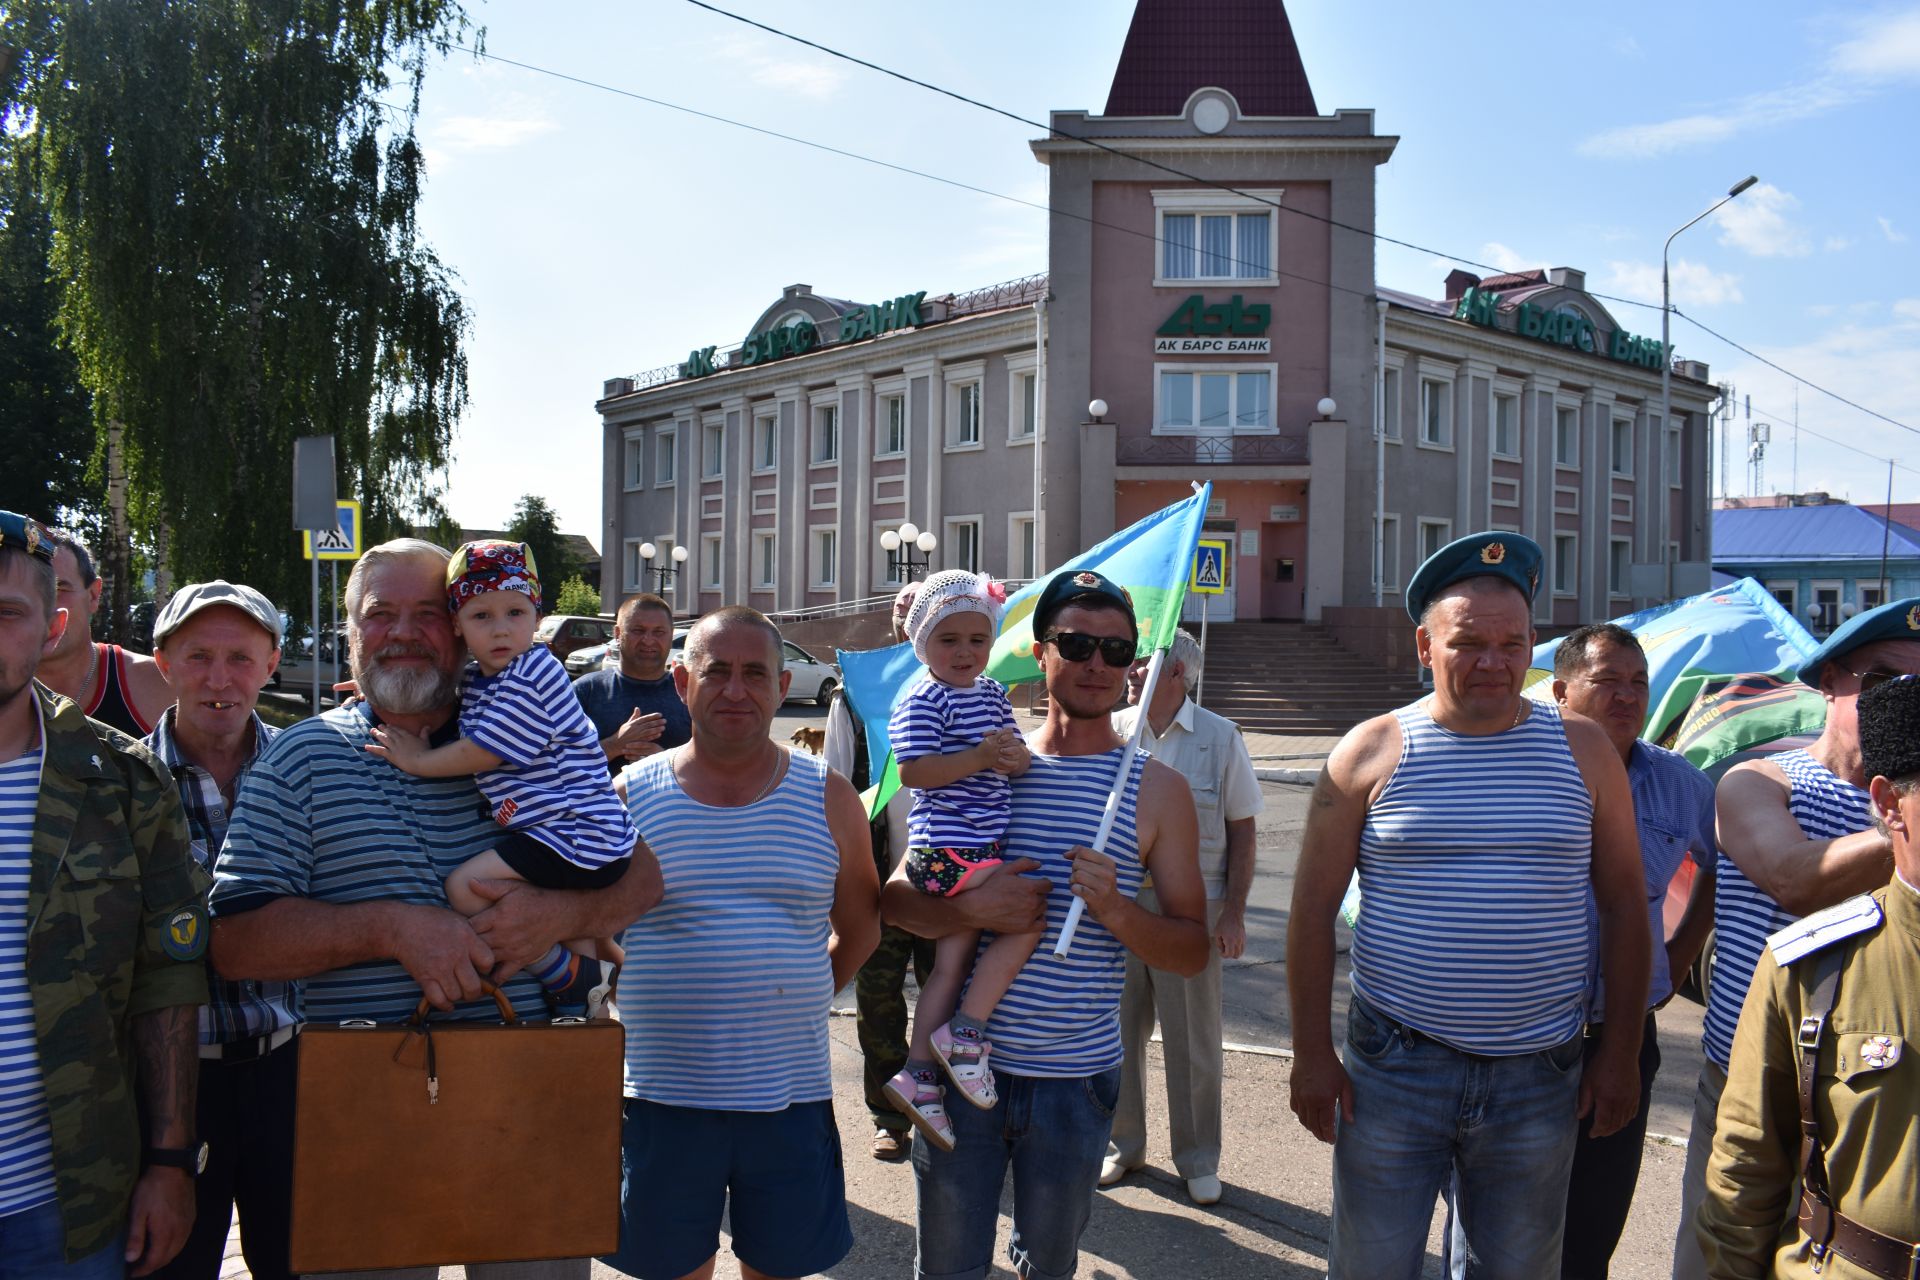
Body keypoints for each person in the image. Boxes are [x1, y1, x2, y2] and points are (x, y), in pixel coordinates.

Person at [209, 537, 661, 1280]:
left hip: (533, 1098)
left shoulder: (524, 740)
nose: (403, 631)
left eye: (427, 612)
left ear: (461, 627)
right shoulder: (300, 759)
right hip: (369, 1108)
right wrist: (394, 929)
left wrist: (554, 917)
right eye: (379, 614)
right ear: (351, 632)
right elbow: (235, 943)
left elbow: (642, 879)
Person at [1287, 532, 1650, 1280]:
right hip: (1394, 1071)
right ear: (1424, 645)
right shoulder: (1367, 753)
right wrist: (1312, 1055)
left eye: (1512, 643)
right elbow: (1311, 912)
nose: (1493, 661)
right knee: (1372, 1267)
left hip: (1539, 1076)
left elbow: (1623, 905)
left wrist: (1616, 1054)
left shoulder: (1585, 751)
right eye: (1469, 642)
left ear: (1533, 648)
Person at [882, 568, 1208, 1280]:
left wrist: (1119, 910)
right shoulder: (989, 766)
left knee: (1048, 1267)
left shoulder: (1158, 789)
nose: (1098, 663)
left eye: (1118, 651)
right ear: (1038, 651)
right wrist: (965, 910)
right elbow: (895, 901)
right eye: (1078, 643)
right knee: (947, 1268)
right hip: (958, 1079)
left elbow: (1190, 951)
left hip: (1075, 1082)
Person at [602, 606, 879, 1280]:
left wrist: (804, 992)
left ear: (783, 687)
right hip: (659, 1101)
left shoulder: (829, 797)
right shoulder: (628, 796)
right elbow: (592, 933)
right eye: (715, 671)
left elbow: (863, 924)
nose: (735, 689)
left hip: (788, 1097)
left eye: (754, 673)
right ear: (680, 680)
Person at [1672, 596, 1920, 1280]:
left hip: (1874, 1084)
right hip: (1748, 1086)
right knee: (1717, 1258)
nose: (1902, 697)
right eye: (1879, 680)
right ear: (1830, 681)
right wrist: (1902, 823)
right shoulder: (1762, 780)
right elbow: (1794, 879)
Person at [0, 509, 212, 1277]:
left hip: (66, 1209)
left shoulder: (121, 781)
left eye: (7, 613)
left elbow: (168, 978)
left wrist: (168, 1159)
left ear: (53, 625)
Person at [364, 540, 637, 1011]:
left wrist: (416, 761)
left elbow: (485, 750)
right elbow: (446, 701)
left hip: (574, 834)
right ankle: (596, 985)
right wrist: (371, 689)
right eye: (481, 616)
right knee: (577, 940)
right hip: (570, 834)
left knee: (465, 887)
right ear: (458, 625)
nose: (501, 630)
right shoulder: (481, 678)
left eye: (515, 612)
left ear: (536, 615)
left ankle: (559, 972)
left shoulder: (534, 673)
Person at [1542, 623, 1716, 1278]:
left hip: (1620, 1037)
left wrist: (1681, 948)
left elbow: (1718, 863)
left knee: (1591, 1228)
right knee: (1500, 1225)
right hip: (1524, 1039)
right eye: (1607, 680)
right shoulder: (1522, 767)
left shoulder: (1677, 782)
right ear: (1561, 691)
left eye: (1638, 682)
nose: (1627, 696)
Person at [141, 582, 298, 1280]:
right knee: (172, 1263)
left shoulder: (308, 771)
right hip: (169, 1086)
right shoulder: (122, 782)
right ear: (163, 662)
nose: (219, 678)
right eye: (198, 655)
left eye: (240, 657)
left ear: (271, 664)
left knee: (300, 1262)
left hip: (292, 1072)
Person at [1099, 627, 1263, 1207]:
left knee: (1194, 1040)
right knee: (1116, 1034)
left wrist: (1235, 912)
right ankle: (1123, 1146)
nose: (1129, 672)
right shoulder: (1112, 733)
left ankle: (1198, 1159)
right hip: (1117, 907)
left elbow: (1243, 830)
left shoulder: (1220, 737)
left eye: (1143, 663)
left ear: (1179, 674)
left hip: (1193, 909)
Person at [882, 570, 1034, 1149]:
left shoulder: (992, 692)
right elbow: (915, 771)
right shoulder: (922, 696)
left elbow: (1011, 754)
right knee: (1026, 915)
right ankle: (965, 1035)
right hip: (945, 851)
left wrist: (1013, 760)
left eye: (977, 639)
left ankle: (920, 1075)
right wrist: (977, 756)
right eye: (949, 640)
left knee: (950, 967)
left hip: (976, 850)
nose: (966, 652)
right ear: (923, 644)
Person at [824, 580, 938, 1163]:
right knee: (880, 1000)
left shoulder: (964, 691)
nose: (908, 620)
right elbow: (836, 781)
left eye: (920, 611)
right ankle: (889, 1115)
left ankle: (946, 1109)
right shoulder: (853, 695)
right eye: (902, 611)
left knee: (951, 1001)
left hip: (947, 879)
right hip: (877, 875)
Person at [34, 528, 172, 736]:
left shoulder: (157, 684)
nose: (42, 605)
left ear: (93, 595)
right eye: (26, 592)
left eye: (59, 589)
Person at [570, 593, 689, 774]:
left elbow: (713, 761)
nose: (648, 640)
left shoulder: (690, 693)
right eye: (638, 630)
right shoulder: (585, 691)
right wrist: (614, 745)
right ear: (618, 634)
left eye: (659, 632)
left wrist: (666, 761)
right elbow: (557, 764)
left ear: (671, 635)